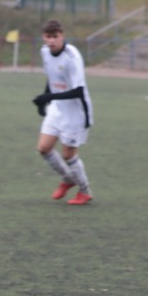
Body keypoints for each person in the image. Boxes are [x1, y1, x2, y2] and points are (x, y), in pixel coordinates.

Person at [32, 19, 94, 205]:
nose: (51, 41)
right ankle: (68, 179)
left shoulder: (72, 57)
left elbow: (78, 91)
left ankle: (85, 191)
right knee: (44, 148)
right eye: (48, 37)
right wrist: (44, 99)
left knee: (68, 155)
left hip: (76, 112)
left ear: (62, 36)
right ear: (44, 37)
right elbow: (52, 79)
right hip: (57, 109)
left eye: (55, 36)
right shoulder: (45, 52)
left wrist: (48, 98)